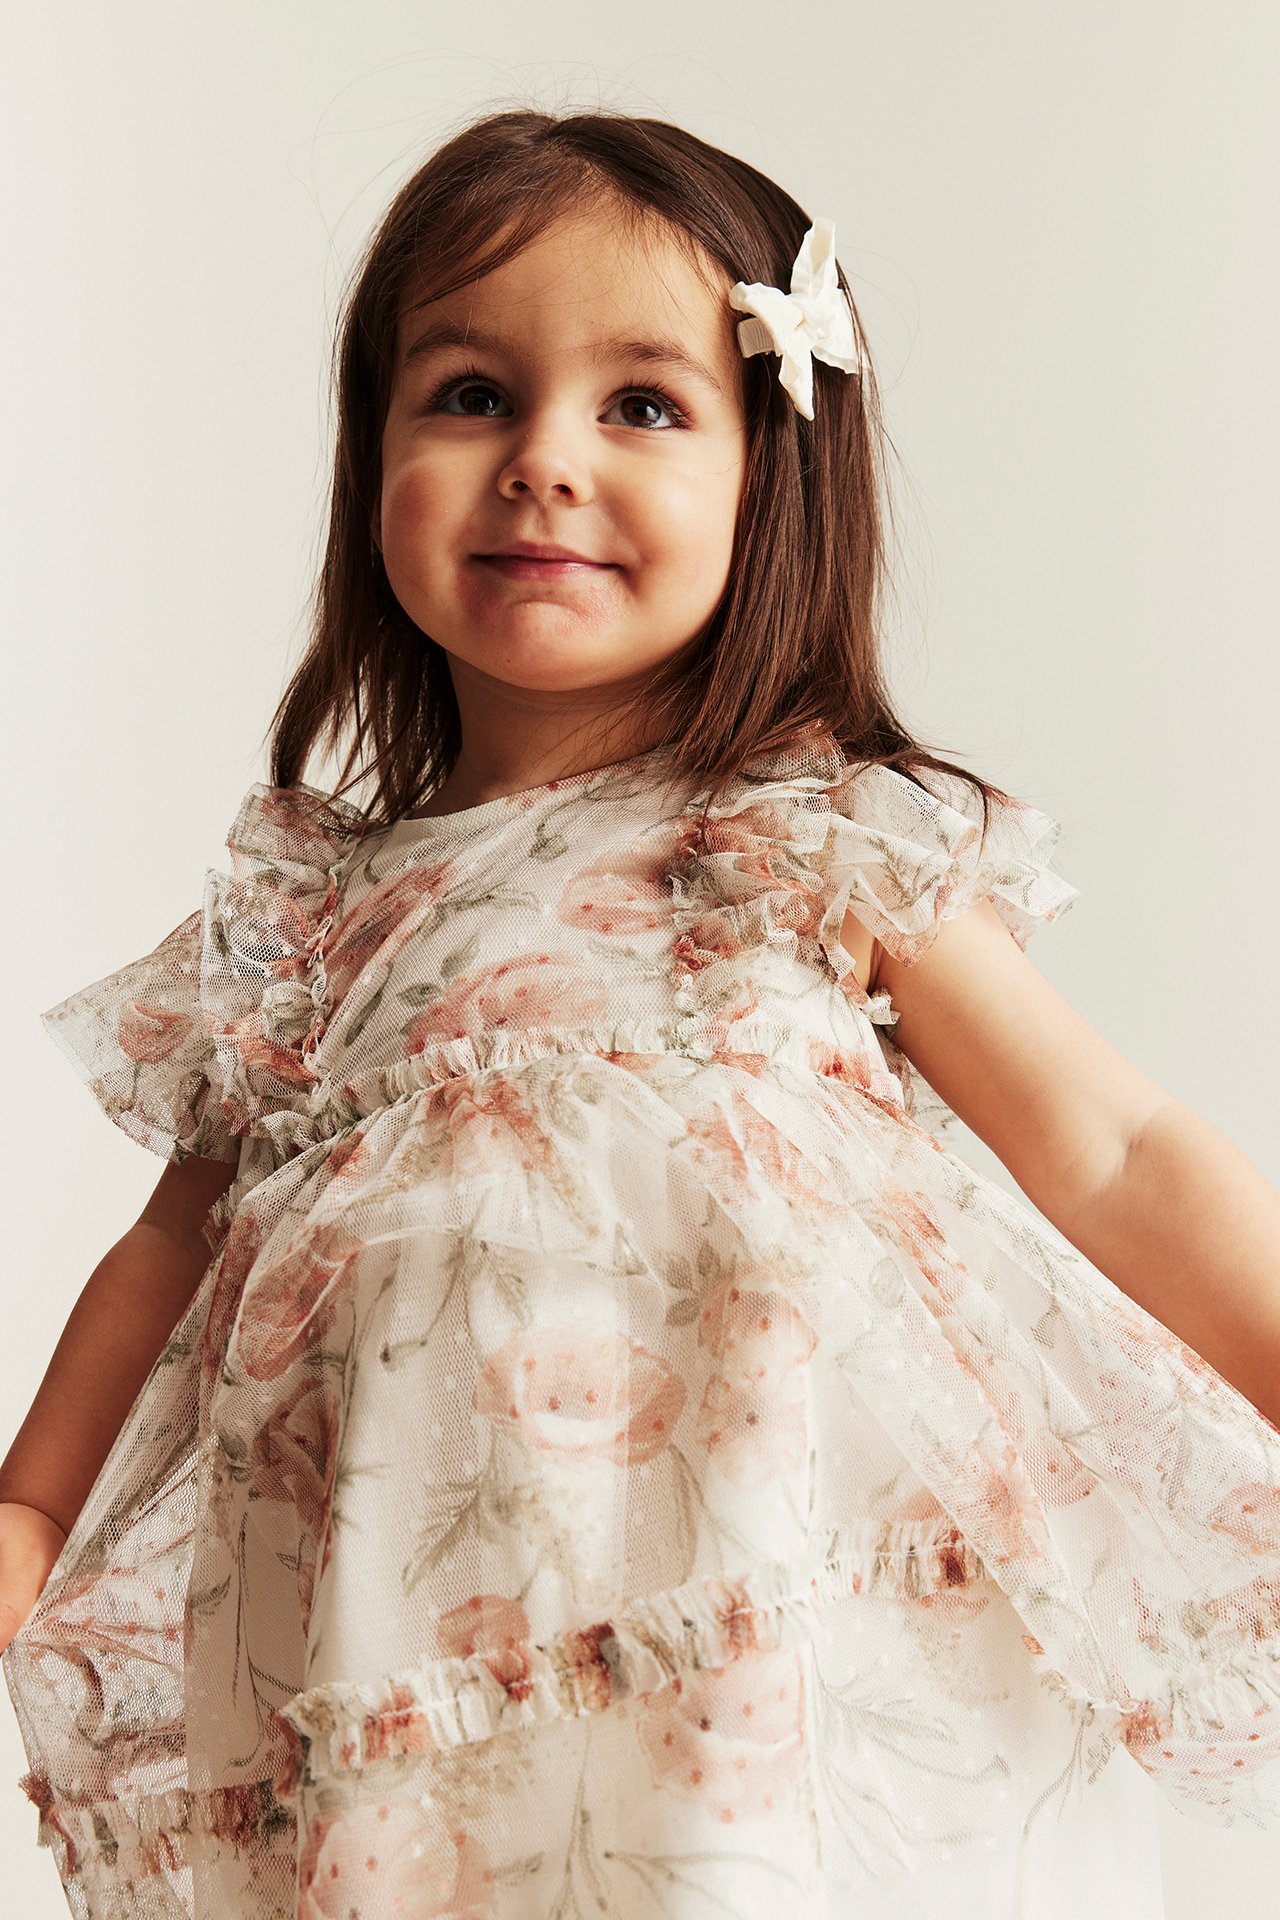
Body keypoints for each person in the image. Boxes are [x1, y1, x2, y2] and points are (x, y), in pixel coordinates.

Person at [2, 106, 1279, 1920]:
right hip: (395, 1633)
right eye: (465, 393)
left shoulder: (802, 839)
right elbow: (165, 1249)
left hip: (739, 1610)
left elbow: (1113, 1145)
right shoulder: (315, 917)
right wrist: (32, 1513)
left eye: (644, 406)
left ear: (776, 473)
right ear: (369, 455)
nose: (542, 462)